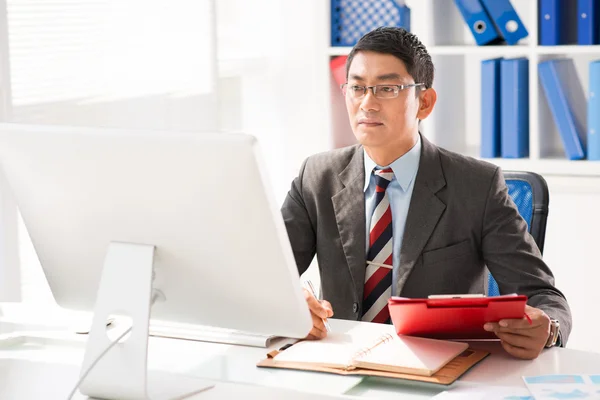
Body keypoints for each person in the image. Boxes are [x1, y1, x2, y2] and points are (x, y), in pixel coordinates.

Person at [281, 27, 571, 360]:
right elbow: (268, 276)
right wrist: (290, 304)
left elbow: (544, 297)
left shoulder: (477, 185)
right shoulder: (316, 177)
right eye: (357, 87)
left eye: (387, 88)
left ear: (425, 102)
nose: (367, 103)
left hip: (439, 370)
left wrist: (548, 328)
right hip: (340, 365)